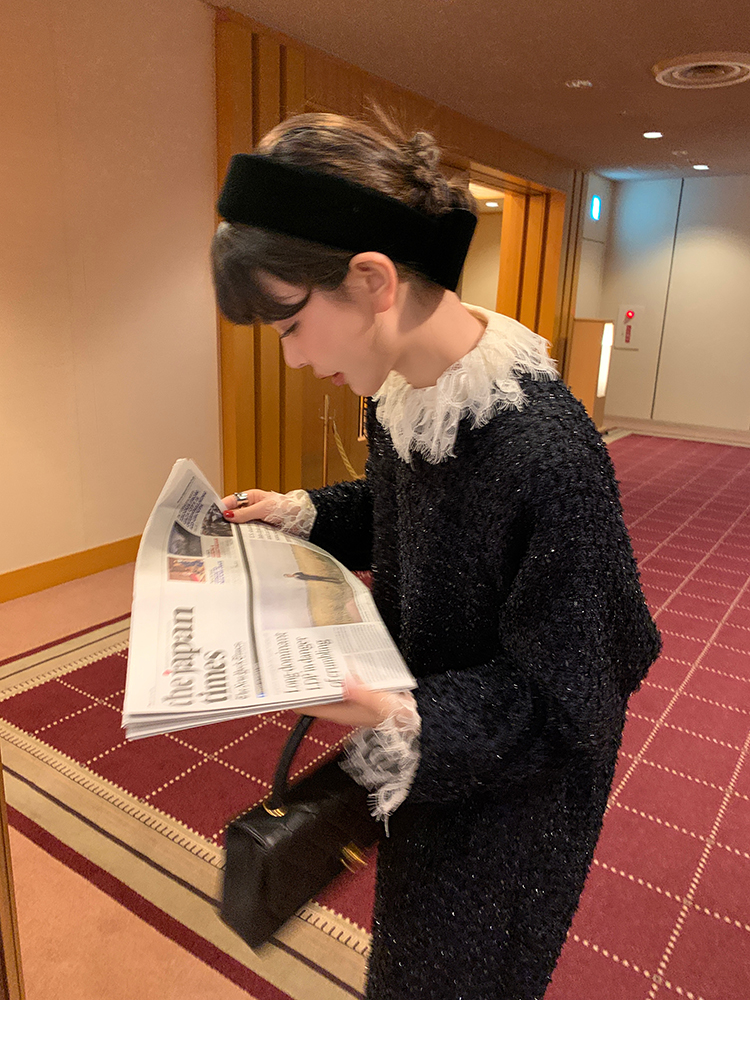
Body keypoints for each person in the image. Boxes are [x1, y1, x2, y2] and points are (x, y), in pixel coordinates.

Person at [211, 111, 661, 1000]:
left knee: (454, 984)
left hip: (514, 809)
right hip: (438, 755)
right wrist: (301, 513)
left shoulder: (546, 451)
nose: (292, 358)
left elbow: (572, 703)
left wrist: (390, 708)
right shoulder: (404, 396)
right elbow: (408, 515)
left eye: (290, 324)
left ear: (372, 279)